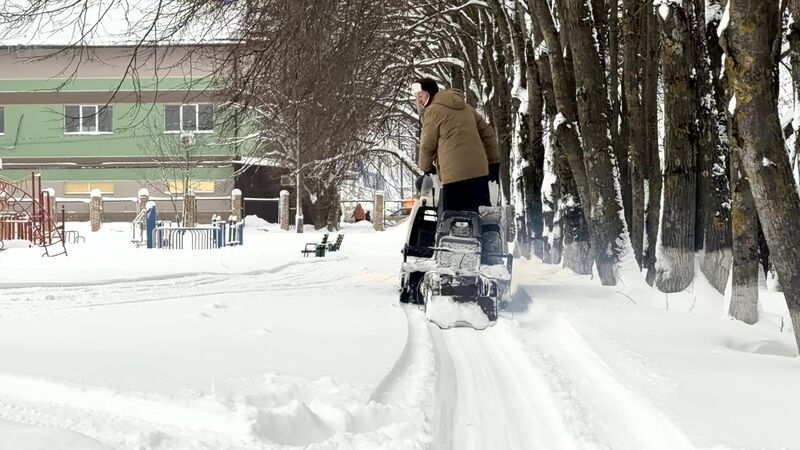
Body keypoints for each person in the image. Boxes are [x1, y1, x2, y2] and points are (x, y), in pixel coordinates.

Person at [413, 78, 500, 213]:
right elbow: (488, 133)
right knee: (483, 216)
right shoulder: (466, 108)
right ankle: (491, 233)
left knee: (453, 220)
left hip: (454, 178)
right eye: (416, 97)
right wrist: (493, 164)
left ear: (430, 94)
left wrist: (426, 168)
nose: (418, 100)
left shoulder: (432, 111)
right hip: (480, 173)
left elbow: (426, 146)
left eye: (421, 95)